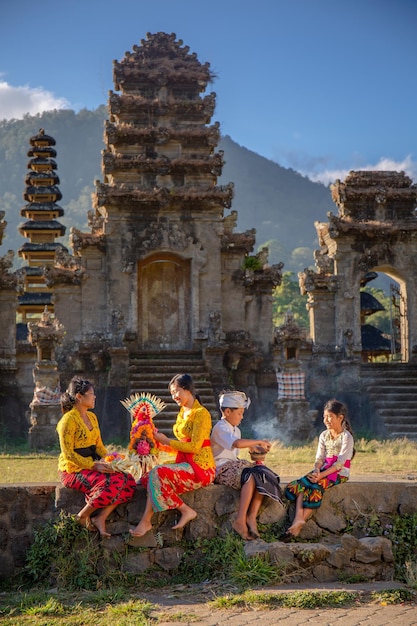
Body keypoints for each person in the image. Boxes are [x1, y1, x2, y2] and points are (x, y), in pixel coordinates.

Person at [129, 373, 216, 537]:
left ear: (187, 389)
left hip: (201, 468)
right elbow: (181, 446)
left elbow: (195, 447)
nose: (174, 396)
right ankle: (185, 510)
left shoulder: (201, 413)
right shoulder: (183, 411)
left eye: (176, 391)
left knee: (157, 474)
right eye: (171, 393)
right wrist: (157, 441)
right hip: (185, 462)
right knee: (147, 477)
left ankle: (146, 521)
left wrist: (167, 441)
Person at [56, 376, 136, 538]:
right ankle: (83, 515)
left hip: (93, 465)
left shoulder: (92, 417)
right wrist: (94, 466)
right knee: (109, 482)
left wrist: (112, 461)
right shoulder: (67, 421)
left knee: (127, 481)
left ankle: (101, 517)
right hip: (73, 470)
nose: (94, 397)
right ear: (79, 397)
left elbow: (98, 446)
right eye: (91, 394)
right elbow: (69, 454)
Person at [210, 390, 283, 541]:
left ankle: (251, 516)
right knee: (250, 476)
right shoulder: (220, 427)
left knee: (263, 475)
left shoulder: (236, 430)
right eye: (240, 413)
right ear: (228, 411)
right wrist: (257, 441)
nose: (242, 417)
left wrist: (256, 449)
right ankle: (240, 519)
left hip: (234, 465)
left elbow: (242, 446)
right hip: (221, 468)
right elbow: (236, 444)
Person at [284, 398, 355, 538]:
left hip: (339, 473)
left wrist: (321, 476)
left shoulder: (346, 437)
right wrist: (317, 470)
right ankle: (298, 517)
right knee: (301, 484)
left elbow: (340, 464)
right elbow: (319, 458)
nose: (326, 420)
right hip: (322, 470)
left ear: (340, 418)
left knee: (316, 487)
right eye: (324, 417)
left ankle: (298, 525)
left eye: (330, 417)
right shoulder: (324, 435)